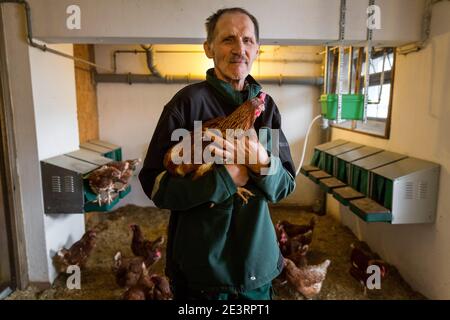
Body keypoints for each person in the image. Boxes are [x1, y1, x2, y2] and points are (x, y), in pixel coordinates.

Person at [139, 7, 296, 300]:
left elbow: (286, 184)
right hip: (202, 271)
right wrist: (225, 179)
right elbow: (155, 185)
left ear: (257, 49)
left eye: (248, 40)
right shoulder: (186, 105)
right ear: (208, 48)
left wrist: (261, 162)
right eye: (228, 39)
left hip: (255, 267)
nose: (240, 49)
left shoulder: (267, 108)